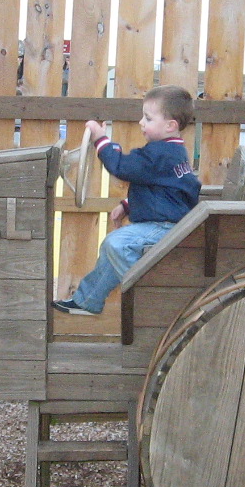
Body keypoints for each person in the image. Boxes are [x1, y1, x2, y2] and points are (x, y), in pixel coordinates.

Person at [53, 85, 201, 316]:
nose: (141, 122)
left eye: (148, 118)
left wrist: (101, 140)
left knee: (117, 244)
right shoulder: (173, 153)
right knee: (111, 251)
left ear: (170, 125)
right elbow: (168, 191)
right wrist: (128, 205)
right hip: (164, 222)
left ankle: (153, 297)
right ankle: (87, 301)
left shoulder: (159, 154)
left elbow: (121, 167)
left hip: (165, 227)